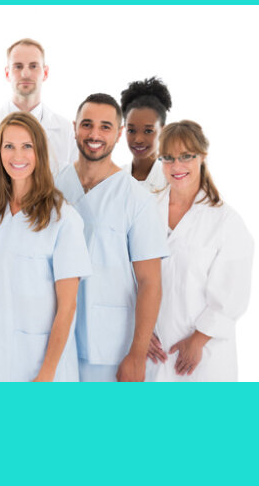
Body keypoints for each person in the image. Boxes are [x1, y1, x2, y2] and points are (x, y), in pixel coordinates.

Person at [0, 112, 91, 382]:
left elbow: (68, 306)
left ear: (39, 153)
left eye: (27, 146)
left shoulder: (62, 218)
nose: (17, 155)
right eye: (9, 146)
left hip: (42, 366)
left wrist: (47, 374)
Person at [55, 93, 168, 382]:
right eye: (87, 125)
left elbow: (150, 282)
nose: (94, 135)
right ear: (74, 128)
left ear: (118, 133)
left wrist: (137, 354)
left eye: (105, 127)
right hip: (54, 338)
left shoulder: (136, 198)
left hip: (109, 344)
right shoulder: (54, 186)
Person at [146, 121, 253, 381]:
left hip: (204, 358)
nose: (176, 166)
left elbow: (232, 295)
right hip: (153, 355)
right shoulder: (146, 210)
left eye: (186, 156)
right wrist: (139, 333)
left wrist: (198, 340)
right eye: (168, 157)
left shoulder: (226, 222)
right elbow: (130, 279)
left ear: (202, 157)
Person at [0, 38, 76, 173]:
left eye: (33, 66)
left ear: (45, 73)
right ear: (7, 73)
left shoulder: (68, 132)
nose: (25, 74)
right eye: (18, 66)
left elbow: (76, 183)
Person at [120, 77, 172, 191]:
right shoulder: (114, 179)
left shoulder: (172, 179)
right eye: (131, 130)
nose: (138, 139)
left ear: (163, 130)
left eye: (148, 131)